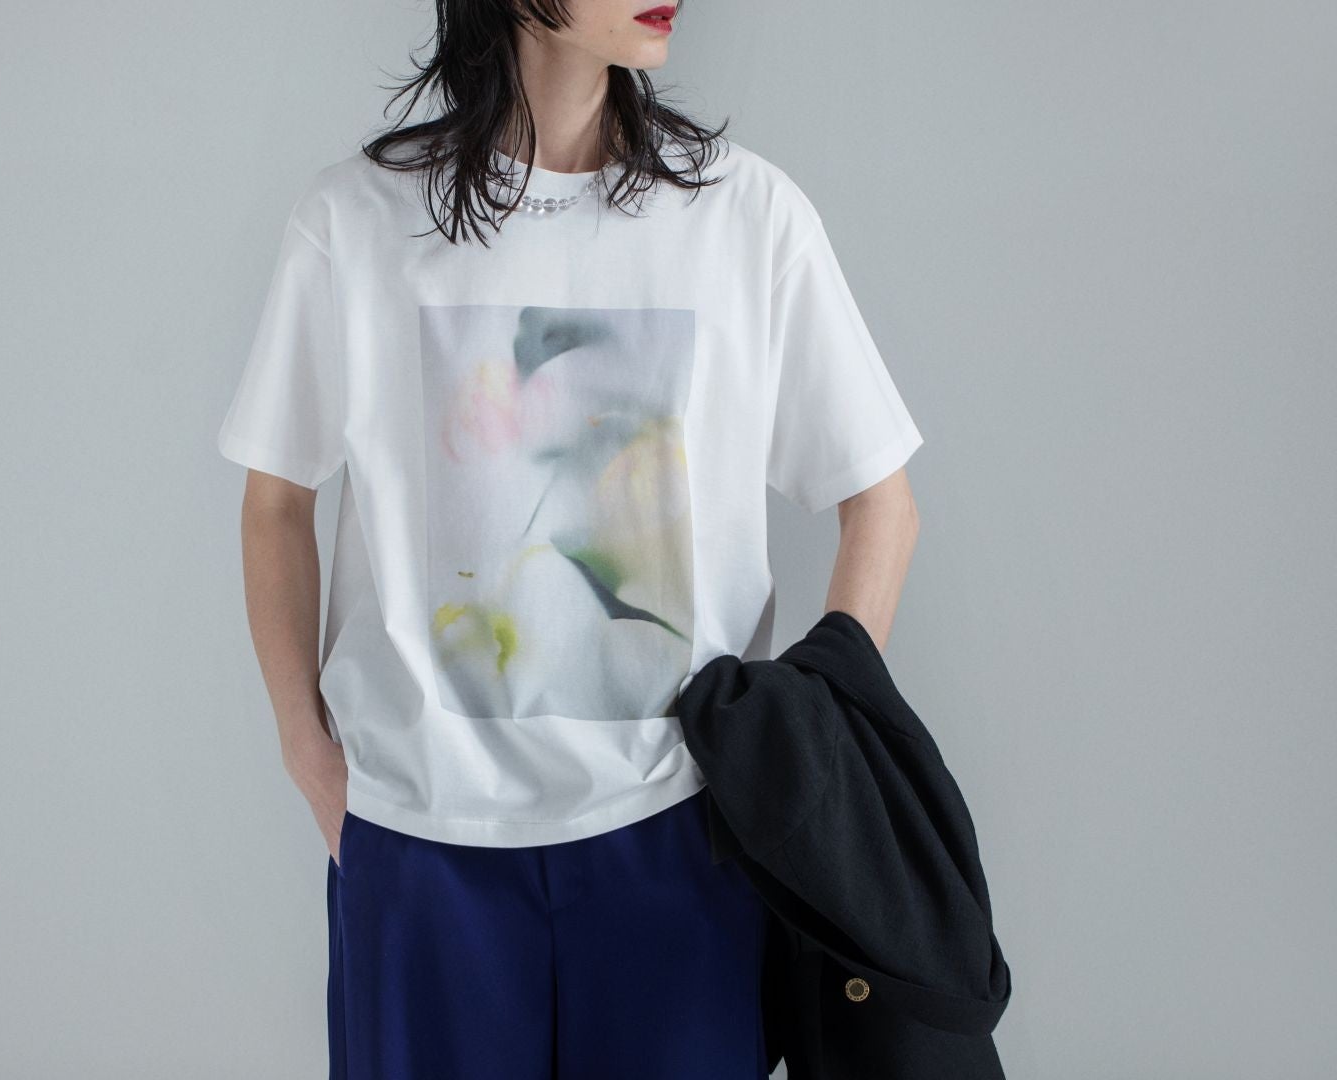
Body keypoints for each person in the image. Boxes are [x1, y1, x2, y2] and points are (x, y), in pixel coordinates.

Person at [216, 2, 922, 1076]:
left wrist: (808, 757)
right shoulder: (355, 220)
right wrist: (309, 756)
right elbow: (275, 501)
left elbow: (881, 502)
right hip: (423, 845)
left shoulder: (746, 216)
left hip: (680, 834)